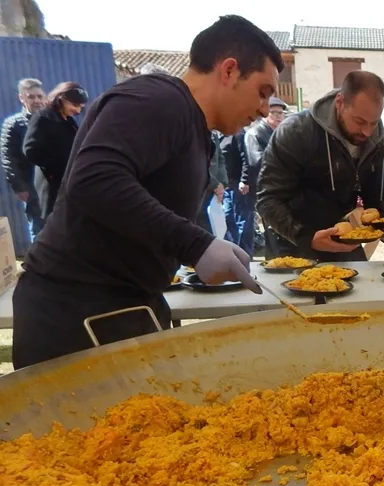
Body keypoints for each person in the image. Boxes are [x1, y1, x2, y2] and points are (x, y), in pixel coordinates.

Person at [12, 15, 282, 369]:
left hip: (126, 303)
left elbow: (144, 209)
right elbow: (94, 179)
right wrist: (195, 244)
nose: (264, 109)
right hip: (76, 311)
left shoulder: (192, 126)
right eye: (262, 92)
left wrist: (198, 242)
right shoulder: (157, 99)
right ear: (229, 70)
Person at [256, 71, 384, 261]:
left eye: (374, 122)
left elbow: (374, 197)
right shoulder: (296, 131)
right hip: (293, 241)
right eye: (359, 121)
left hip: (343, 239)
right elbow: (268, 198)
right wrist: (305, 237)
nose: (368, 132)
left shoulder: (381, 141)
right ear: (340, 103)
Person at [22, 81, 88, 225]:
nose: (77, 110)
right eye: (74, 105)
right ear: (61, 100)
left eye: (80, 107)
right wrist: (57, 167)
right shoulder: (43, 117)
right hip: (52, 184)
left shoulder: (68, 121)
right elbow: (31, 150)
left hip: (69, 182)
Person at [0, 78, 45, 253]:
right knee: (38, 228)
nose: (37, 101)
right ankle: (40, 267)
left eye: (39, 96)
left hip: (56, 185)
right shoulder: (13, 124)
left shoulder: (52, 118)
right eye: (31, 97)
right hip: (32, 186)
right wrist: (19, 186)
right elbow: (8, 158)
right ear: (22, 98)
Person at [245, 96, 286, 257]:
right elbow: (257, 161)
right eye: (273, 112)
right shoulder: (254, 134)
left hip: (282, 189)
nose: (278, 117)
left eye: (281, 113)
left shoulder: (280, 133)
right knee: (272, 230)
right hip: (265, 190)